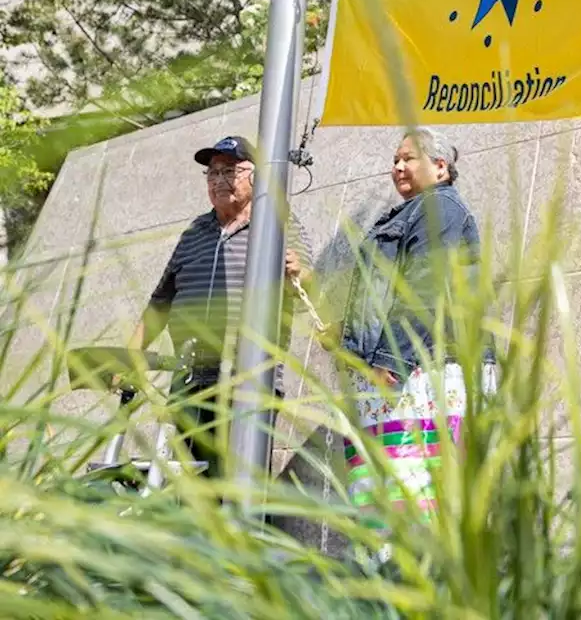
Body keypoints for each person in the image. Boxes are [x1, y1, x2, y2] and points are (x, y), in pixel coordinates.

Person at [339, 127, 495, 534]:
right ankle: (387, 585)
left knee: (412, 495)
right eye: (395, 160)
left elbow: (424, 286)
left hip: (422, 368)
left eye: (409, 158)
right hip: (400, 367)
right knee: (383, 493)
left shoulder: (439, 210)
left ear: (441, 168)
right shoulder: (410, 214)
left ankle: (409, 587)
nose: (398, 166)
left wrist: (390, 359)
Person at [129, 135, 313, 477]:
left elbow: (311, 288)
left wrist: (299, 271)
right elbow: (160, 303)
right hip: (190, 383)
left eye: (229, 171)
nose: (218, 181)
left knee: (238, 483)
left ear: (256, 176)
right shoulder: (195, 232)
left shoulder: (277, 223)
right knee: (193, 485)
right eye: (212, 173)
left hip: (248, 382)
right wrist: (130, 355)